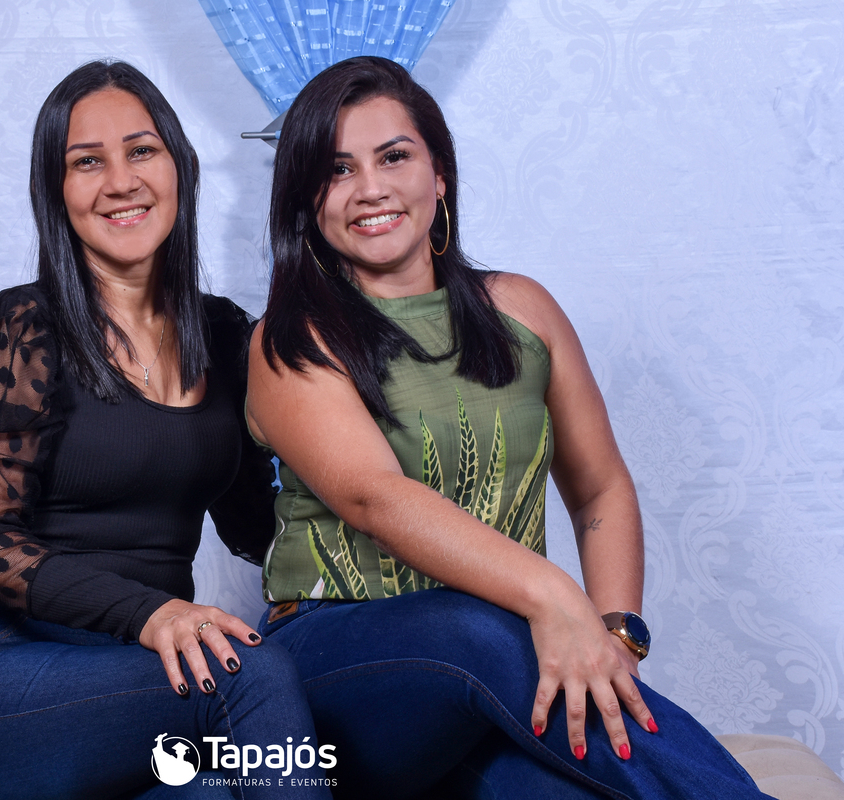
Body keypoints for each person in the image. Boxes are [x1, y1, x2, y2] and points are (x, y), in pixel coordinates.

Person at [246, 56, 774, 800]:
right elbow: (374, 498)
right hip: (341, 669)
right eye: (337, 170)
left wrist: (612, 638)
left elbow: (600, 488)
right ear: (308, 197)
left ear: (439, 175)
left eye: (394, 157)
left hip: (500, 668)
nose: (370, 188)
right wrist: (554, 597)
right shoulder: (290, 341)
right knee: (478, 626)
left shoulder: (522, 309)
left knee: (546, 782)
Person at [0, 60, 331, 800]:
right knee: (249, 671)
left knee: (222, 790)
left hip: (147, 679)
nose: (120, 181)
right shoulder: (19, 329)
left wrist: (365, 577)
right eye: (87, 162)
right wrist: (152, 612)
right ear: (55, 190)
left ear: (180, 166)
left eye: (141, 150)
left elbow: (259, 525)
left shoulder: (223, 336)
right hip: (5, 674)